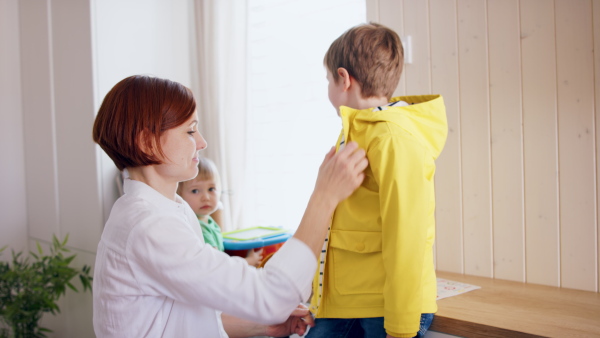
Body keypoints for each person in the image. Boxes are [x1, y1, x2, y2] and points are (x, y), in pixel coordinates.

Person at [91, 75, 368, 337]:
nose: (201, 143)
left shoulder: (167, 209)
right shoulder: (149, 227)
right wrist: (325, 197)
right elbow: (272, 296)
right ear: (146, 142)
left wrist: (264, 326)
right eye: (190, 131)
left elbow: (186, 316)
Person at [306, 23, 448, 338]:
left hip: (386, 308)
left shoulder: (393, 138)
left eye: (328, 79)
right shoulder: (357, 132)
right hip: (346, 302)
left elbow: (406, 235)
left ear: (343, 78)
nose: (328, 87)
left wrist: (400, 327)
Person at [177, 157, 263, 266]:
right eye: (195, 191)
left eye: (211, 189)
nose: (206, 197)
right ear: (180, 195)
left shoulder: (207, 221)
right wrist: (248, 261)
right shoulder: (199, 228)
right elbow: (218, 266)